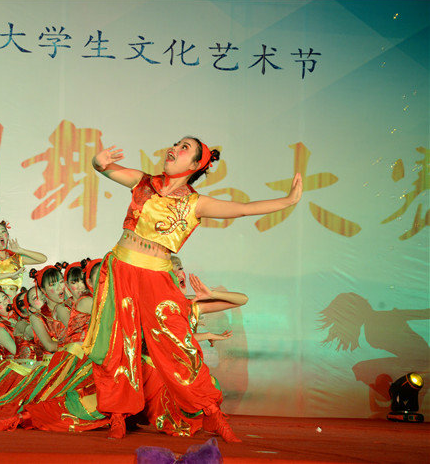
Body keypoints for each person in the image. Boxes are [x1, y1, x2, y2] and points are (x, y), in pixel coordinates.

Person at [82, 137, 302, 441]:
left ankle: (212, 413)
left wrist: (287, 201)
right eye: (176, 144)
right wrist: (99, 160)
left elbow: (242, 209)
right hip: (122, 269)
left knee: (178, 345)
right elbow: (102, 167)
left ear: (196, 164)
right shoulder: (143, 182)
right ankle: (117, 415)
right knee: (117, 342)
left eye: (184, 147)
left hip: (157, 277)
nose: (174, 148)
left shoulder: (196, 203)